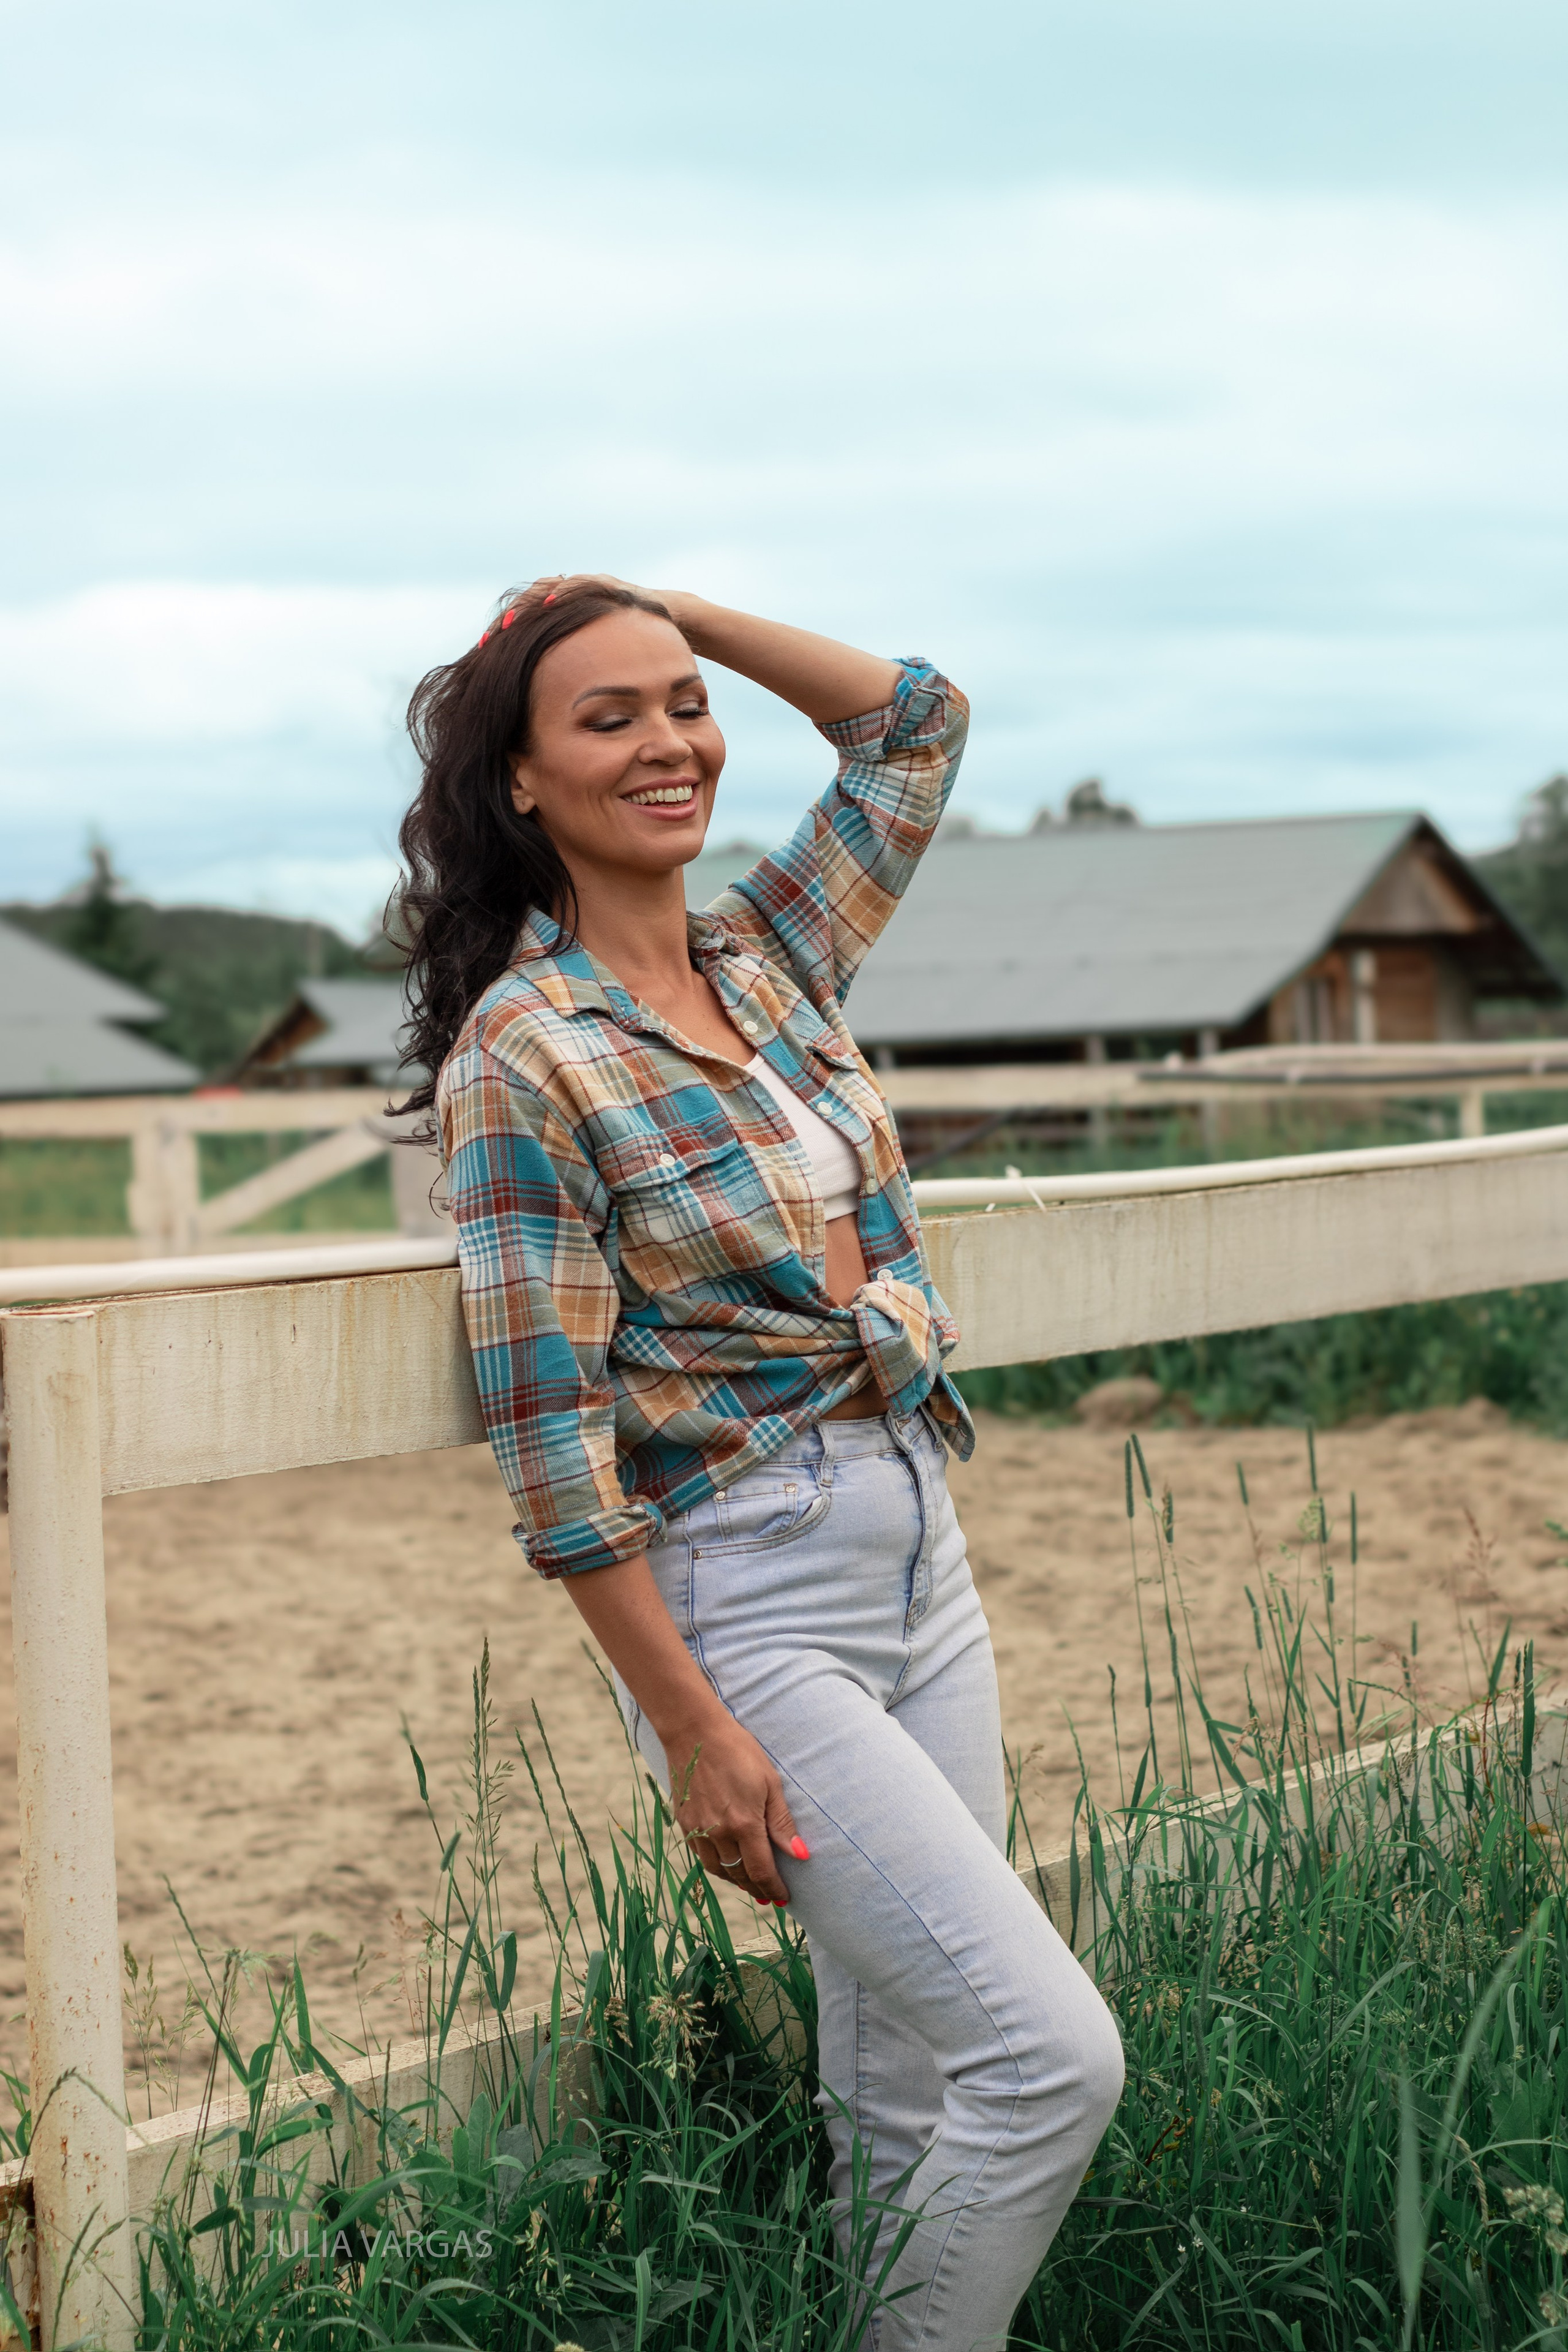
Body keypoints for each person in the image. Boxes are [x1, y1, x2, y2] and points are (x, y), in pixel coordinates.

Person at [397, 576, 1124, 2351]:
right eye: (608, 716)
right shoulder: (529, 1052)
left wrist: (662, 612)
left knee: (907, 2099)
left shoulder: (766, 954)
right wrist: (692, 1725)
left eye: (682, 706)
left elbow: (916, 724)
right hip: (742, 1598)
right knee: (1047, 2060)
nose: (669, 744)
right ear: (516, 779)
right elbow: (552, 1441)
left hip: (914, 1555)